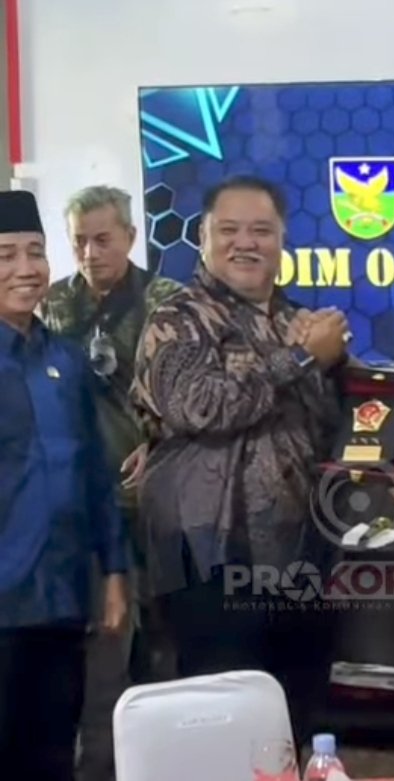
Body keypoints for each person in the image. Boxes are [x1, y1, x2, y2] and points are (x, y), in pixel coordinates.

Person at [130, 174, 351, 750]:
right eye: (228, 230)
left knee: (296, 722)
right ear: (202, 238)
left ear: (282, 240)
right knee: (222, 729)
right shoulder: (178, 318)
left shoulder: (297, 320)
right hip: (211, 560)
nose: (245, 242)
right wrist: (300, 357)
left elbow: (331, 430)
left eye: (261, 230)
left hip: (302, 557)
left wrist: (336, 364)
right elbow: (200, 407)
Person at [37, 185, 183, 780]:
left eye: (103, 239)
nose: (91, 253)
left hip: (157, 503)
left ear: (129, 236)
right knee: (101, 650)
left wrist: (161, 442)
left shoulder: (165, 301)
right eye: (79, 242)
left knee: (164, 643)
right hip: (84, 507)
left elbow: (191, 396)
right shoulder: (52, 304)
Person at [0, 189, 128, 780]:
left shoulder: (67, 361)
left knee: (54, 754)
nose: (26, 269)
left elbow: (96, 474)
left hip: (63, 597)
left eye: (35, 252)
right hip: (4, 600)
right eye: (6, 256)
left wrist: (115, 573)